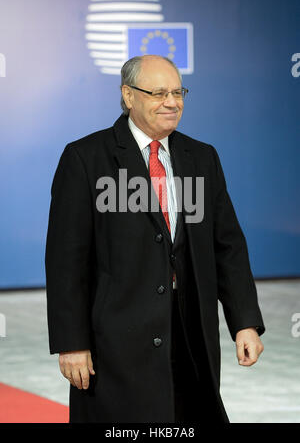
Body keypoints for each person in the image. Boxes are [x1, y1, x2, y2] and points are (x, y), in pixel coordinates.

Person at [45, 54, 265, 424]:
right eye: (159, 92)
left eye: (178, 92)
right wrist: (72, 343)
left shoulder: (202, 157)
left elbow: (228, 247)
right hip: (114, 347)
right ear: (128, 95)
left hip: (191, 338)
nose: (172, 102)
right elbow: (66, 261)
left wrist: (244, 321)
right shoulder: (85, 158)